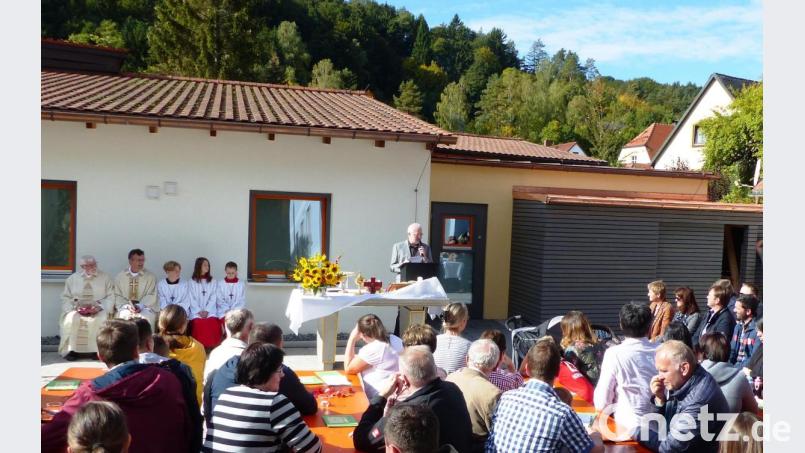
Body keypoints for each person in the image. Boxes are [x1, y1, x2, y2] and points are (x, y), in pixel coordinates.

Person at [42, 320, 200, 453]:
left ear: (100, 356)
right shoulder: (169, 380)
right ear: (136, 352)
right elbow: (190, 427)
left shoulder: (89, 395)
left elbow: (47, 439)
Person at [487, 338, 605, 453]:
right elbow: (595, 450)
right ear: (558, 371)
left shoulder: (505, 398)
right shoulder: (562, 413)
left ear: (527, 369)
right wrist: (595, 433)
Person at [203, 343, 322, 453]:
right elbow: (313, 449)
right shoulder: (274, 402)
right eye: (279, 369)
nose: (283, 374)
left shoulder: (226, 395)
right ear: (265, 373)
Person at [353, 347, 472, 453]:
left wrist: (382, 396)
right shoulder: (452, 388)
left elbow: (361, 440)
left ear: (404, 380)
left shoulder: (411, 413)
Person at [204, 323, 317, 420]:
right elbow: (309, 407)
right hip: (256, 440)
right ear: (279, 346)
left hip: (215, 438)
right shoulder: (277, 373)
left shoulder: (225, 367)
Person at [642, 340, 729, 453]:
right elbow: (663, 428)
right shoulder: (683, 382)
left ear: (684, 369)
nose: (659, 377)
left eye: (663, 371)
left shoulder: (699, 400)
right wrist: (660, 399)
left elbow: (669, 447)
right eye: (658, 370)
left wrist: (636, 431)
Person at [594, 302, 659, 433]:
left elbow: (602, 401)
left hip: (626, 428)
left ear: (621, 325)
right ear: (650, 325)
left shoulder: (614, 353)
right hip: (660, 428)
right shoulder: (663, 351)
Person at [445, 339, 502, 450]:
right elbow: (497, 432)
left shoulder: (451, 377)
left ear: (467, 359)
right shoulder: (493, 393)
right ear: (495, 367)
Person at [59, 255, 115, 360]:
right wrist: (75, 307)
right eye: (88, 265)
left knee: (100, 319)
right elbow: (66, 297)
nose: (93, 267)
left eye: (94, 264)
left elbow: (111, 296)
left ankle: (97, 351)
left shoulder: (105, 278)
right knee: (71, 318)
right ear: (82, 266)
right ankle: (72, 351)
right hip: (77, 309)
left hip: (99, 308)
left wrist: (100, 307)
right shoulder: (72, 279)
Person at [344, 314, 404, 400]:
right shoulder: (396, 339)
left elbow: (349, 368)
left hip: (379, 397)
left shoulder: (373, 348)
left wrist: (352, 339)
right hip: (397, 393)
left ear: (362, 334)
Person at [698, 333, 758, 414]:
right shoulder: (740, 378)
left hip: (699, 425)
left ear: (703, 353)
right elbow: (753, 411)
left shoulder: (692, 376)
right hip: (729, 425)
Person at [158, 304, 206, 405]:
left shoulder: (156, 346)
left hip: (163, 404)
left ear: (161, 323)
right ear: (183, 325)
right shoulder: (198, 348)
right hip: (193, 405)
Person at [203, 308, 254, 384]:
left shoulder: (215, 353)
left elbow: (206, 385)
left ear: (226, 327)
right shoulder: (250, 356)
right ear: (251, 327)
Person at [113, 249, 158, 327]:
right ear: (130, 261)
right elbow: (117, 295)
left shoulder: (150, 277)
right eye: (139, 260)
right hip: (126, 308)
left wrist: (140, 306)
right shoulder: (120, 277)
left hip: (144, 307)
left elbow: (152, 294)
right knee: (124, 317)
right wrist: (127, 306)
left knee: (146, 318)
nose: (141, 263)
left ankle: (145, 339)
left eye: (143, 260)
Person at [560, 310, 604, 385]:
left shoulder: (572, 349)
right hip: (601, 388)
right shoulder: (599, 344)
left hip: (585, 391)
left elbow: (569, 375)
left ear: (569, 330)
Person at [188, 257, 222, 352]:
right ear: (199, 266)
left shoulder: (213, 281)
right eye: (205, 265)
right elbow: (191, 298)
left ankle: (211, 346)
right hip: (197, 311)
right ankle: (199, 347)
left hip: (209, 311)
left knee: (212, 321)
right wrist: (199, 311)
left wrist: (207, 310)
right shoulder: (191, 281)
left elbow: (213, 296)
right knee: (198, 322)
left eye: (208, 265)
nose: (207, 267)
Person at [433, 303, 472, 374]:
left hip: (434, 383)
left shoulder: (432, 341)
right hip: (456, 383)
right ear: (463, 321)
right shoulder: (469, 346)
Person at [729, 294, 760, 368]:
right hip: (734, 368)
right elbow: (732, 351)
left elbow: (753, 358)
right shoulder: (738, 327)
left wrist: (735, 368)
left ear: (748, 311)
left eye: (737, 308)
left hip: (746, 371)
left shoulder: (758, 330)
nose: (734, 310)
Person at [742, 318, 763, 400]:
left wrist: (751, 373)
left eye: (761, 330)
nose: (758, 334)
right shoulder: (761, 346)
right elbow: (750, 364)